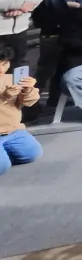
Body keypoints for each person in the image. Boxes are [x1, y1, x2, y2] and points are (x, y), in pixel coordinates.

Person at [0, 44, 41, 175]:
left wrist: (28, 90)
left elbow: (29, 102)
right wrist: (4, 96)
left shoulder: (11, 79)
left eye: (4, 63)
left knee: (32, 153)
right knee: (2, 166)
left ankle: (4, 152)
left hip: (13, 130)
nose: (1, 68)